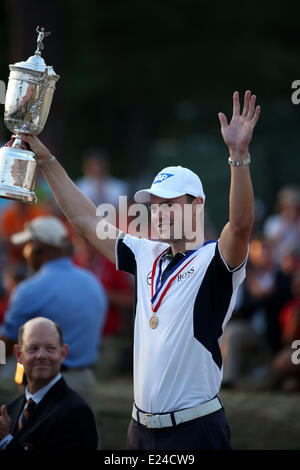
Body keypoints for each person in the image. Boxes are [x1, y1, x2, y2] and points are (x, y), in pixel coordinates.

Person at [11, 90, 260, 450]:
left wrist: (238, 155)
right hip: (139, 430)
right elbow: (84, 219)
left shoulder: (214, 259)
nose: (159, 212)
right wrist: (46, 158)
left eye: (170, 204)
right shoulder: (146, 252)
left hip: (194, 431)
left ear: (198, 204)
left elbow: (240, 226)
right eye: (154, 205)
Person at [0, 216, 108, 410]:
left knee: (35, 440)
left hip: (44, 384)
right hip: (85, 382)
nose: (25, 252)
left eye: (28, 245)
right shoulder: (93, 283)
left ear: (39, 248)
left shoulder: (30, 289)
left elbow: (5, 344)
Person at [0, 317, 98, 450]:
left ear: (63, 353)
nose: (41, 355)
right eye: (33, 348)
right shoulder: (11, 410)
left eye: (50, 348)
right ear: (19, 355)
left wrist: (6, 441)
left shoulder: (76, 413)